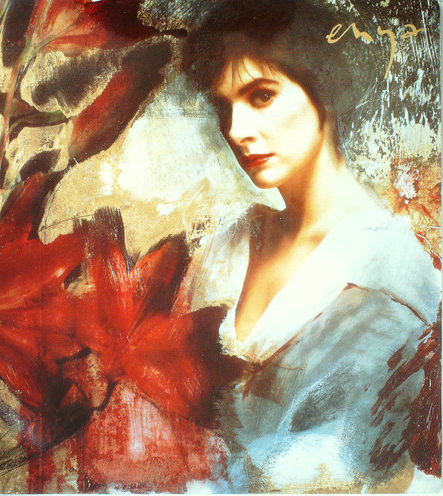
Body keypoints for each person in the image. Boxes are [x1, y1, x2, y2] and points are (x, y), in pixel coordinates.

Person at [182, 0, 441, 492]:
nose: (235, 131)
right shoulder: (229, 241)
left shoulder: (388, 273)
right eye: (223, 108)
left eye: (261, 96)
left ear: (325, 88)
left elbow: (335, 470)